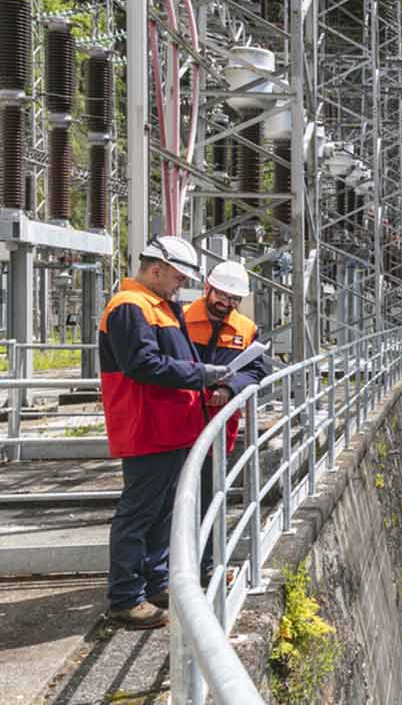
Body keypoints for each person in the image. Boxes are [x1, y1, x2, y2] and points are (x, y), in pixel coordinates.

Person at [99, 236, 230, 630]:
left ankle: (155, 582)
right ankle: (125, 597)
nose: (180, 285)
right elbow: (142, 364)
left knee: (162, 510)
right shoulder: (130, 306)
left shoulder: (160, 306)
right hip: (146, 424)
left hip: (169, 425)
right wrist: (199, 374)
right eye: (176, 277)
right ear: (156, 269)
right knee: (139, 512)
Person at [184, 260, 268, 451]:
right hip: (182, 415)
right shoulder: (181, 320)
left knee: (214, 476)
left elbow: (256, 371)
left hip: (221, 419)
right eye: (221, 294)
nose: (225, 302)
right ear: (208, 288)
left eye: (234, 298)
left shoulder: (247, 329)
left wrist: (229, 388)